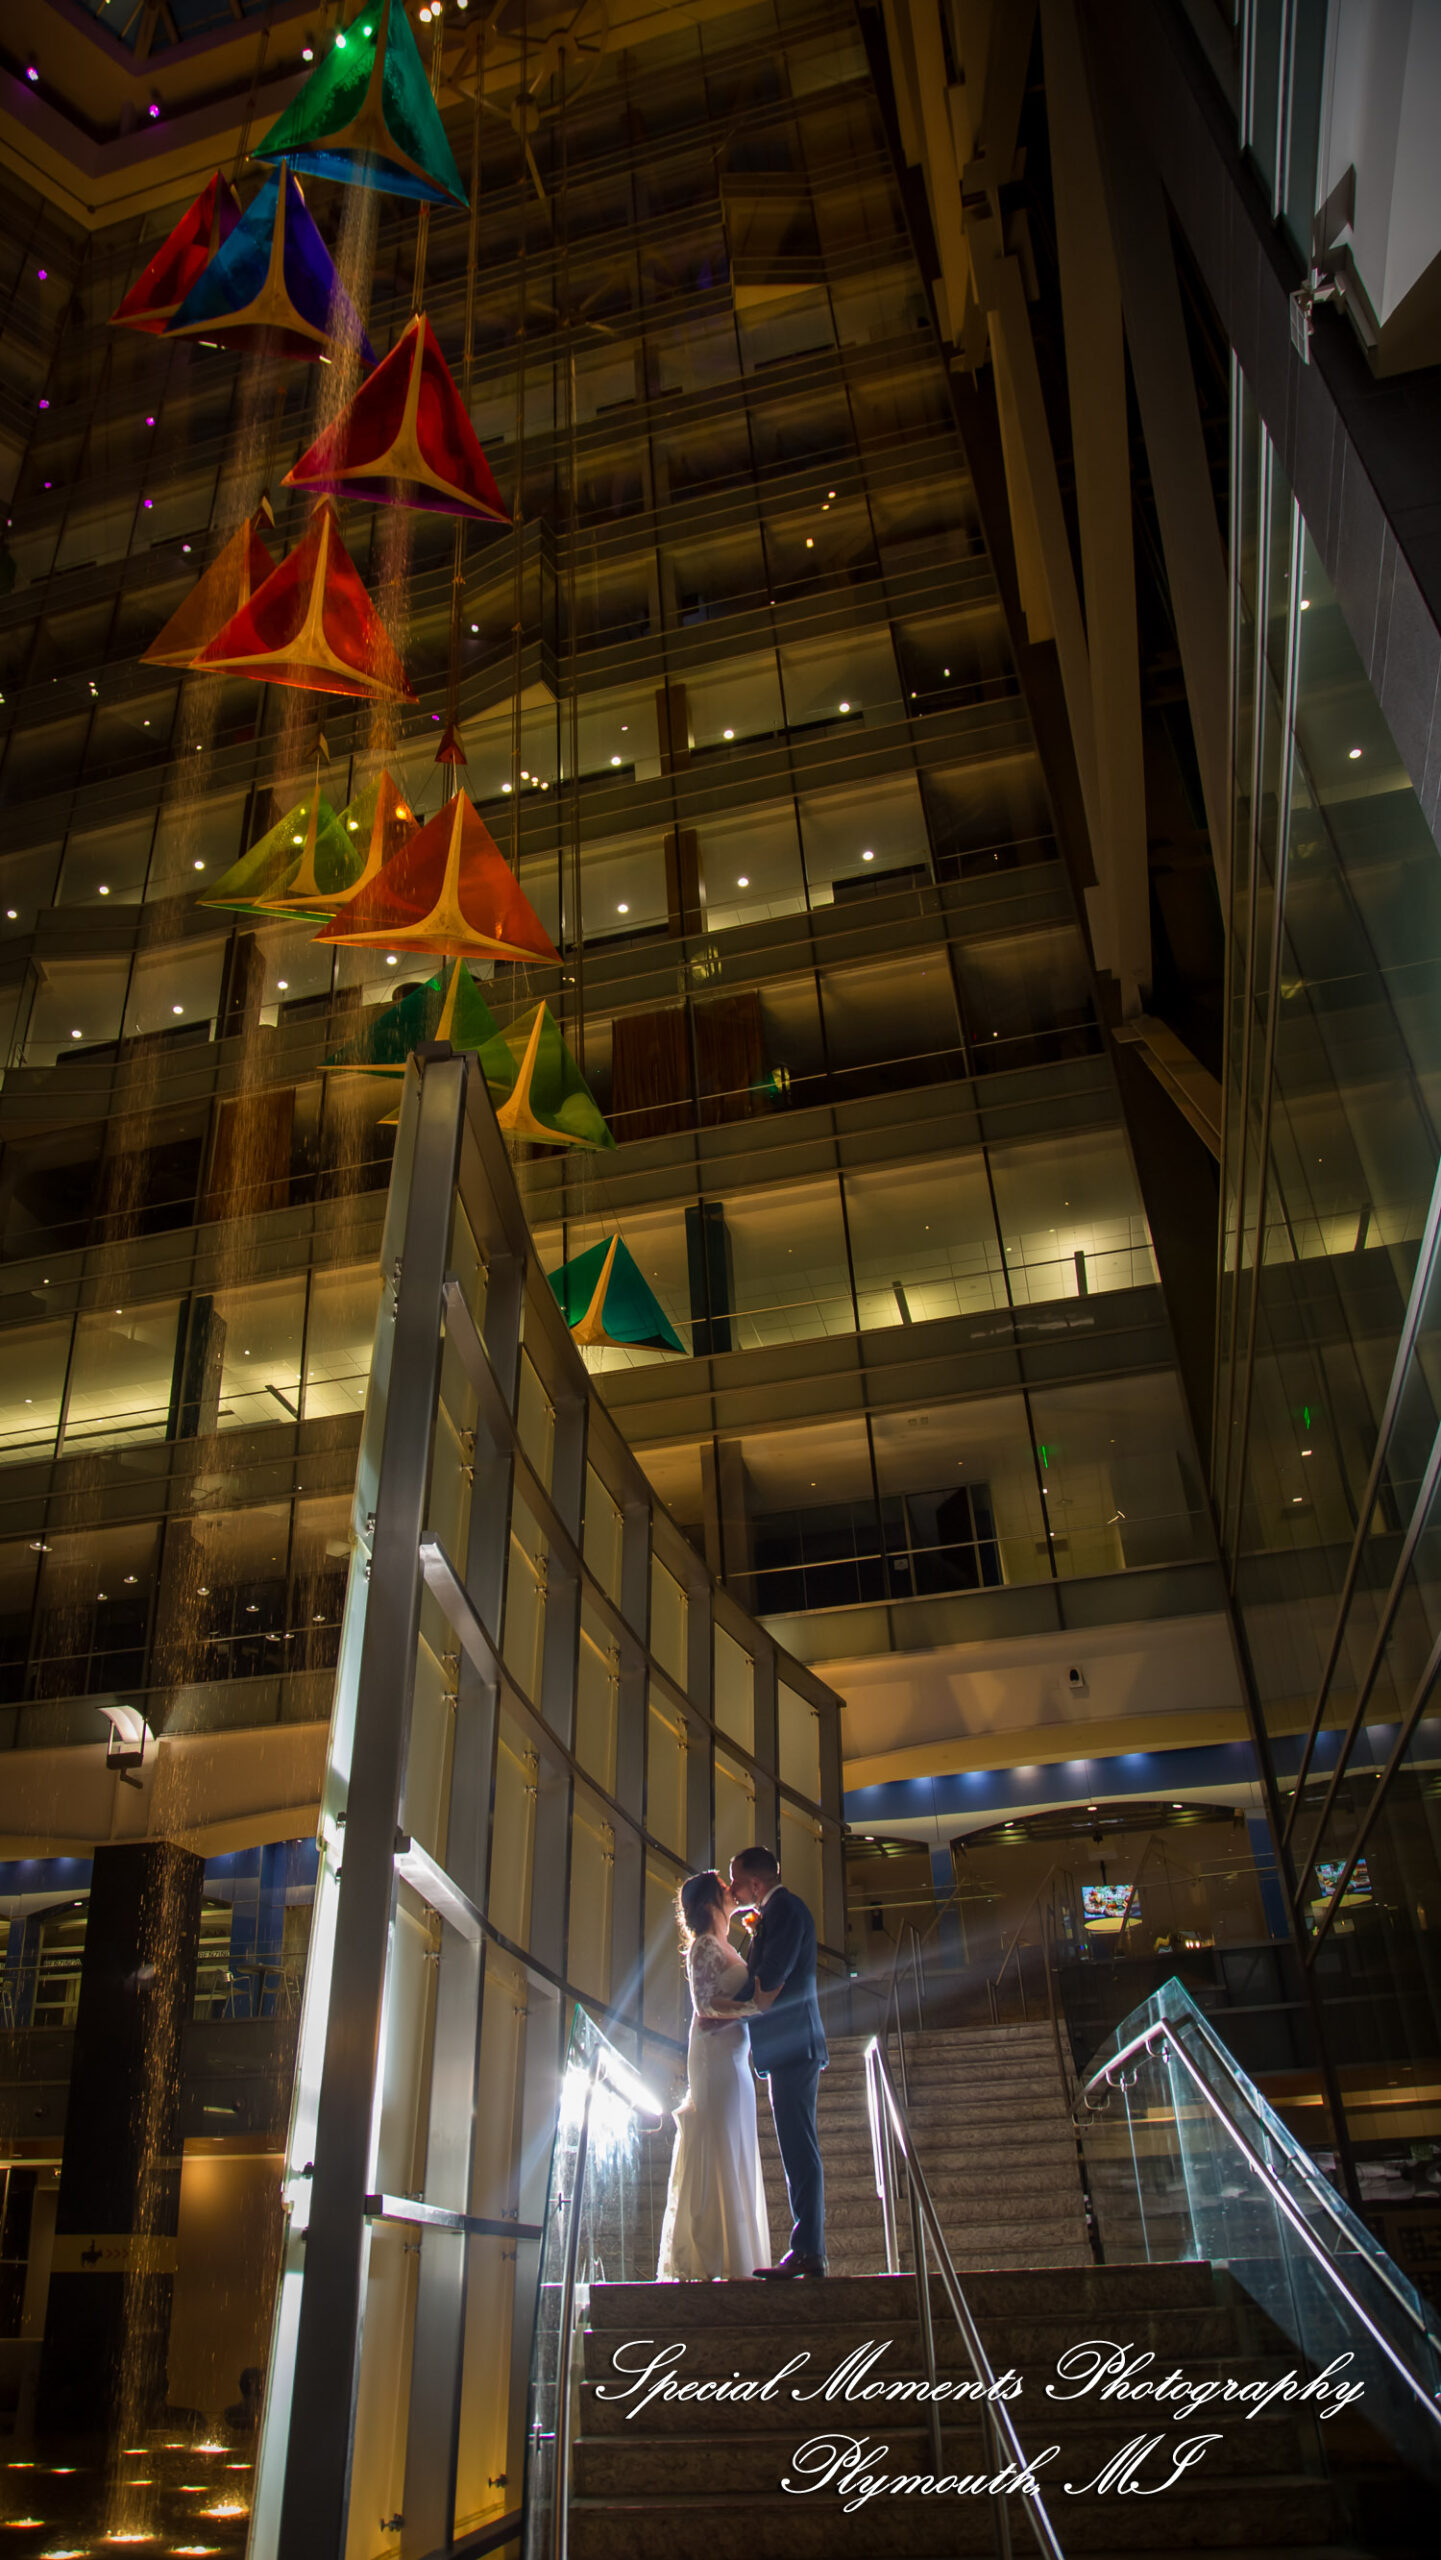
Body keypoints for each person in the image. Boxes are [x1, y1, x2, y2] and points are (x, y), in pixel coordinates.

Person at [655, 1869, 771, 2281]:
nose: (731, 1889)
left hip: (735, 2059)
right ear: (709, 1904)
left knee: (735, 2141)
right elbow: (705, 2006)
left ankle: (738, 2254)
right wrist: (757, 2008)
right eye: (724, 1886)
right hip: (715, 2059)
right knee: (719, 2139)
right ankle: (713, 2252)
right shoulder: (705, 1946)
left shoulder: (723, 1942)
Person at [726, 1843, 828, 2277]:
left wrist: (723, 2007)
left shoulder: (785, 1910)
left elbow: (769, 1981)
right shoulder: (775, 1912)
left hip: (793, 2045)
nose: (732, 1889)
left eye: (736, 1880)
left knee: (799, 2147)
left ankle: (808, 2250)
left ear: (755, 1882)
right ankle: (808, 2249)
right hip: (785, 2047)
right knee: (794, 2147)